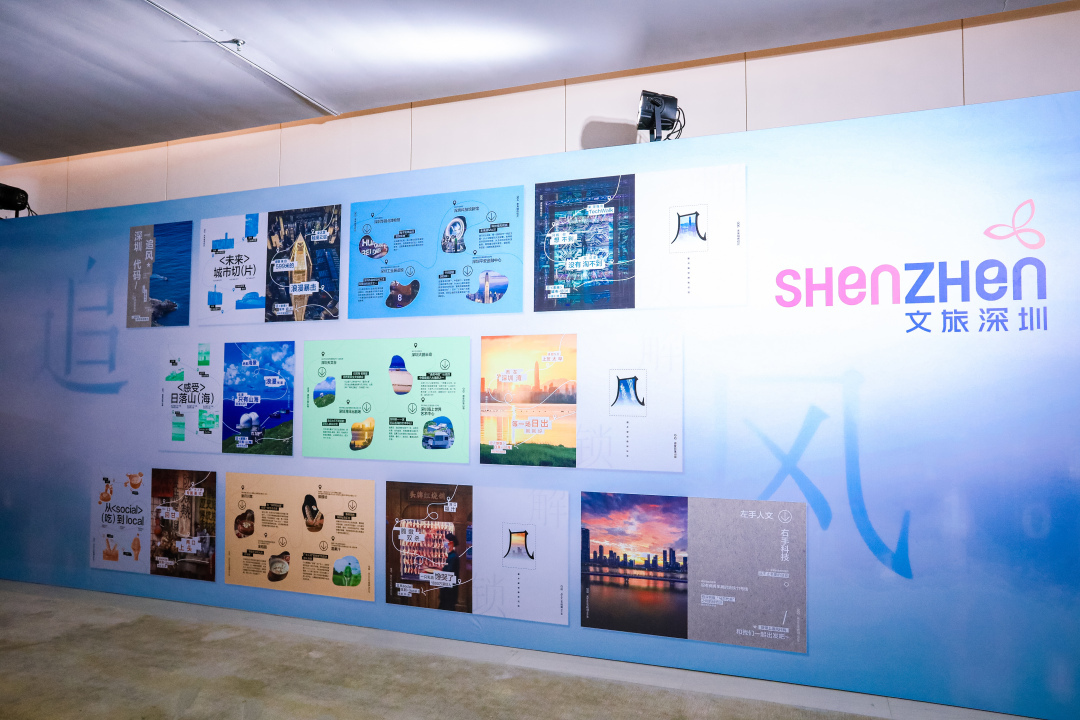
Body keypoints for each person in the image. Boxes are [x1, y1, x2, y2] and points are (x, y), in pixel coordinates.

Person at [438, 532, 460, 611]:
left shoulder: (453, 557)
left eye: (445, 540)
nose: (444, 542)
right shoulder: (451, 555)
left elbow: (448, 573)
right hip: (448, 592)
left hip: (449, 592)